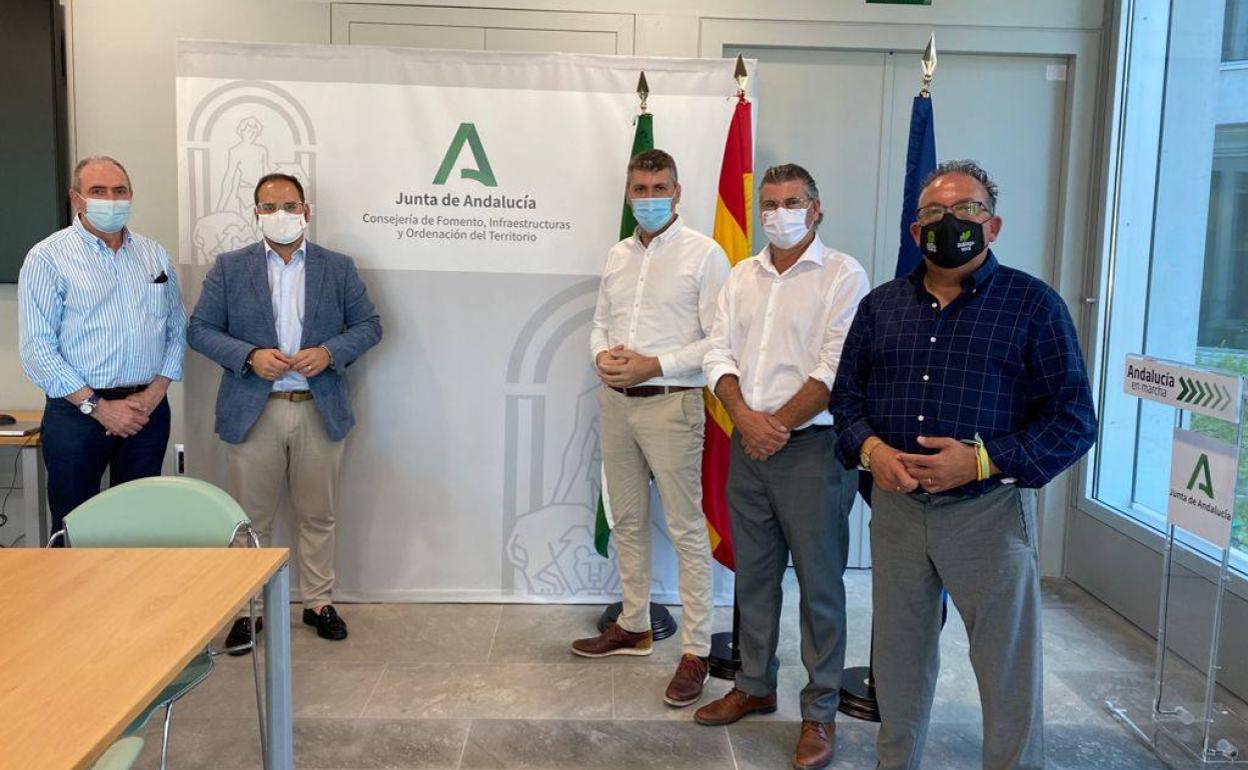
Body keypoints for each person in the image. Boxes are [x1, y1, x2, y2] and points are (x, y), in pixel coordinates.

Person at [829, 160, 1097, 770]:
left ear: (993, 225)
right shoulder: (880, 307)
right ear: (915, 230)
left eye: (965, 210)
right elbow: (845, 400)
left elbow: (1074, 419)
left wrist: (981, 462)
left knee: (1005, 667)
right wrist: (872, 452)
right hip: (896, 512)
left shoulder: (1034, 306)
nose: (949, 223)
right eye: (933, 214)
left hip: (990, 515)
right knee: (898, 660)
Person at [696, 163, 869, 770]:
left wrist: (778, 424)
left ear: (815, 209)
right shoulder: (742, 275)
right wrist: (745, 417)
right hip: (750, 446)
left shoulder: (843, 275)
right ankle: (754, 683)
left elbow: (836, 366)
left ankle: (820, 713)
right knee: (755, 576)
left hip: (814, 452)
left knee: (820, 586)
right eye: (769, 203)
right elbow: (716, 348)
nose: (779, 212)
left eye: (792, 201)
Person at [188, 172, 382, 647]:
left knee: (318, 513)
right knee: (249, 519)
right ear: (256, 214)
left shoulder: (338, 268)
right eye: (270, 207)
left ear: (306, 211)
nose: (282, 215)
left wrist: (331, 352)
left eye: (290, 206)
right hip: (255, 409)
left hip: (319, 406)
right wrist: (249, 357)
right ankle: (246, 609)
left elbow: (369, 325)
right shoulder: (230, 268)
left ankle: (318, 601)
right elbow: (200, 329)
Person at [570, 149, 730, 708]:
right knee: (629, 520)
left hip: (671, 405)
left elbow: (718, 341)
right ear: (628, 195)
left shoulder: (705, 256)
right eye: (639, 188)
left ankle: (695, 651)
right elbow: (598, 323)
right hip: (615, 404)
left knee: (687, 529)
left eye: (659, 186)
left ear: (679, 192)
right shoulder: (617, 254)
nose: (649, 196)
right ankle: (633, 625)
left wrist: (653, 365)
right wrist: (601, 357)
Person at [19, 155, 185, 539]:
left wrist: (156, 392)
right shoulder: (48, 257)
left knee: (139, 527)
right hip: (78, 414)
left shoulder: (154, 255)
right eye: (98, 191)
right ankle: (74, 601)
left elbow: (177, 327)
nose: (111, 199)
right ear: (77, 198)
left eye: (119, 191)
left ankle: (133, 602)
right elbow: (38, 349)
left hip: (147, 411)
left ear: (131, 195)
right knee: (75, 526)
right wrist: (99, 408)